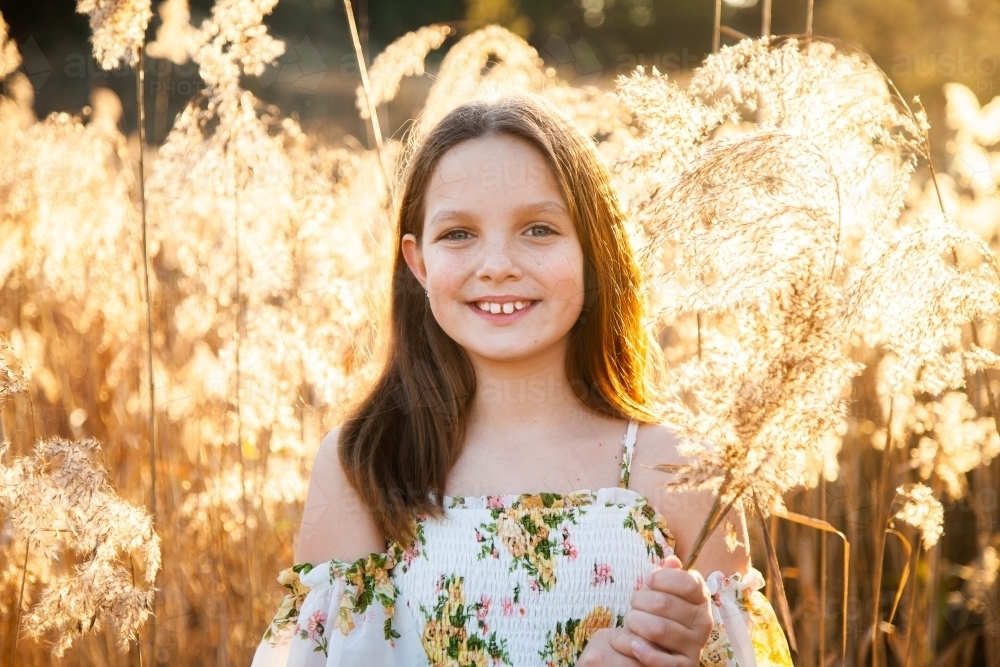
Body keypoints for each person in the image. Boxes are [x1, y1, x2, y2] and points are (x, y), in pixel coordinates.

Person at [251, 95, 793, 667]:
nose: (498, 264)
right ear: (419, 263)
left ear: (593, 248)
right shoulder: (365, 462)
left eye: (538, 228)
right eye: (458, 234)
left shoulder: (680, 469)